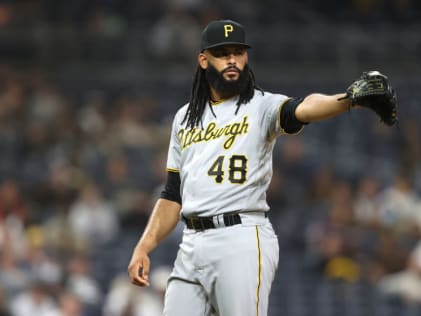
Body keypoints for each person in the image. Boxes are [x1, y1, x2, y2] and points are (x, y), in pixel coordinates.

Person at [127, 19, 396, 316]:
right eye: (222, 52)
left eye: (238, 52)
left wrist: (347, 100)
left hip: (241, 236)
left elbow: (303, 108)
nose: (232, 59)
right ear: (204, 60)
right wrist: (144, 247)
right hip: (192, 242)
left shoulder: (260, 105)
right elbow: (172, 194)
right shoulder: (184, 118)